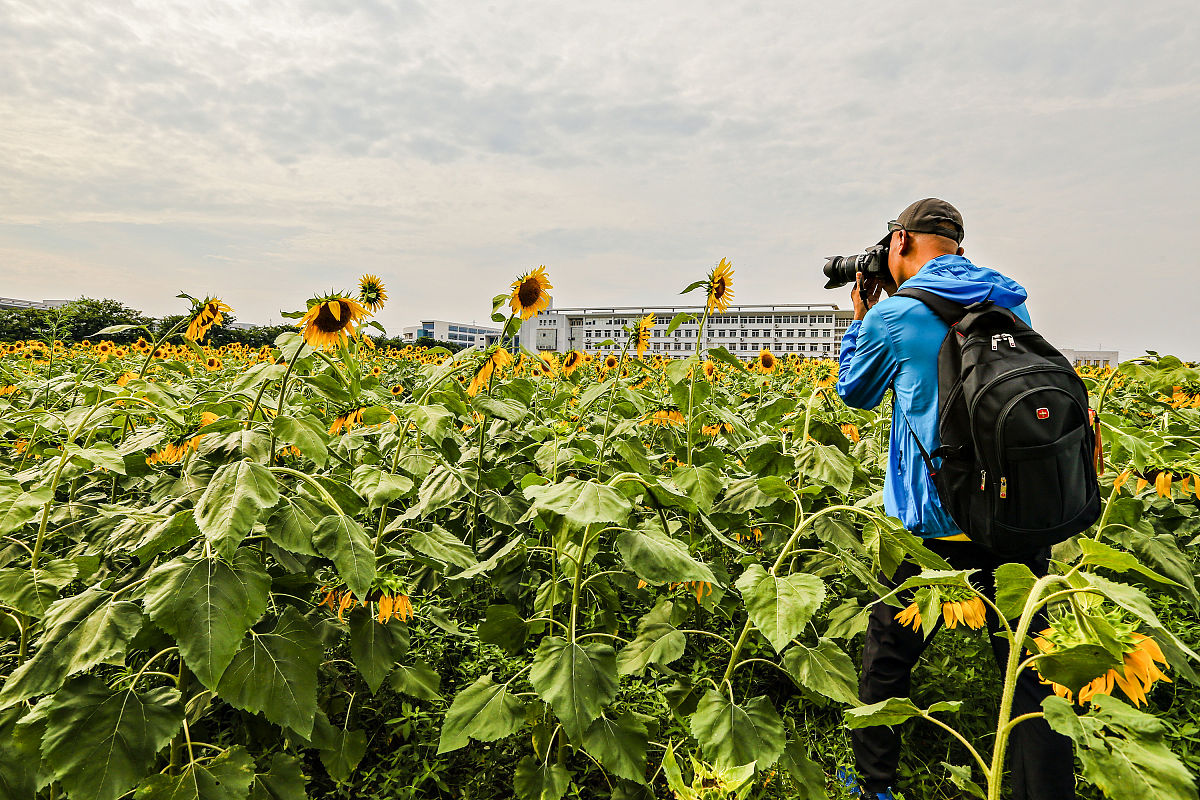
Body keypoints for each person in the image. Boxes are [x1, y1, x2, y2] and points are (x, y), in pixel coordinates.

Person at [835, 199, 1075, 800]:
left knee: (887, 660)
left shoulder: (897, 315)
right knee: (1029, 673)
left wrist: (863, 315)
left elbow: (855, 392)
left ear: (899, 243)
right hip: (1017, 516)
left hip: (933, 523)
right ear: (959, 247)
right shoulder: (1007, 302)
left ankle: (875, 786)